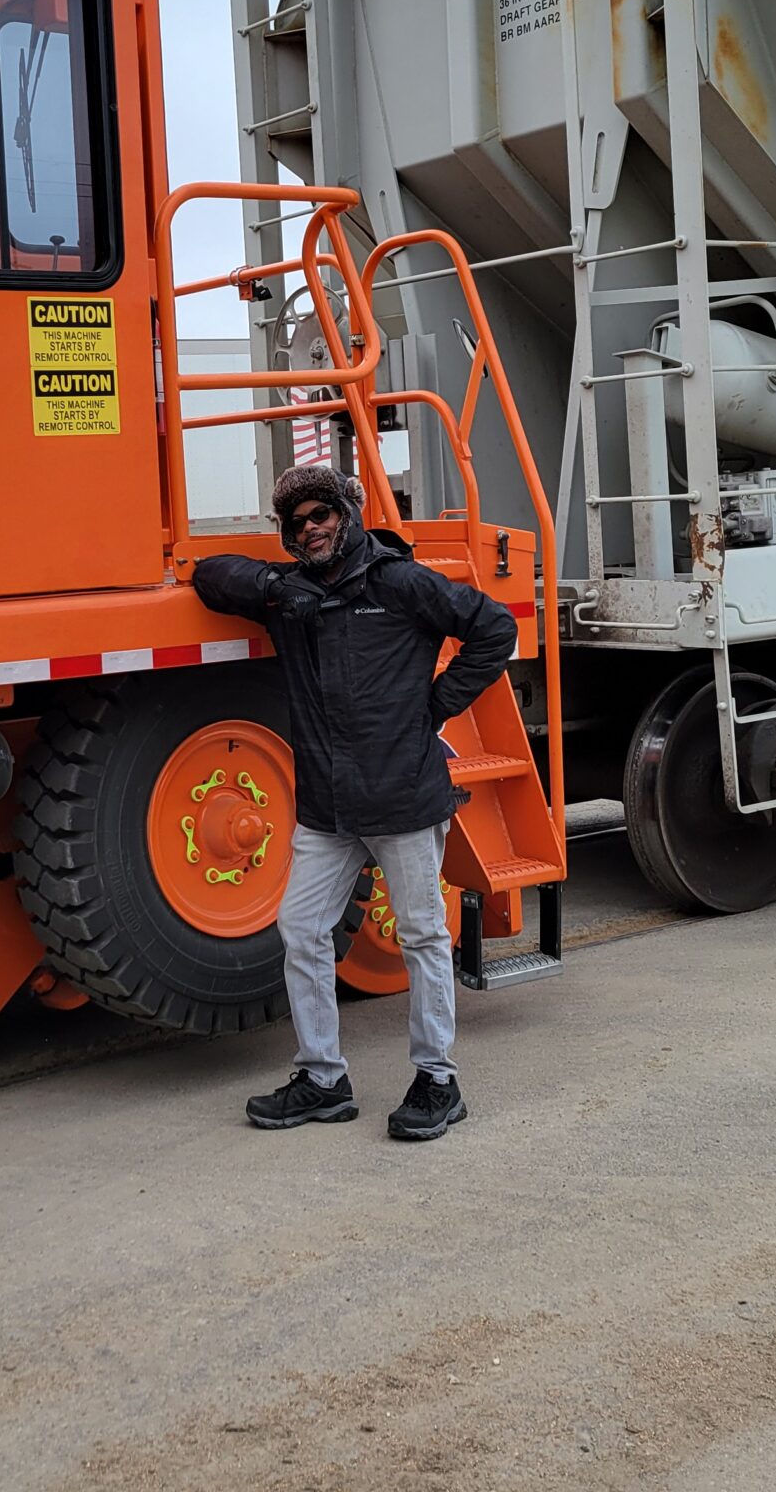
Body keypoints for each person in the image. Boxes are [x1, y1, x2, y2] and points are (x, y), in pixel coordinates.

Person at [192, 463, 519, 1142]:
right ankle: (322, 1079)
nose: (310, 529)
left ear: (348, 513)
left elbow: (492, 628)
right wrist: (274, 586)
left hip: (402, 795)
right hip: (327, 806)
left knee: (424, 936)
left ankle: (438, 1080)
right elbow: (210, 573)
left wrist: (434, 706)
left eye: (321, 515)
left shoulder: (400, 582)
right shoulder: (289, 596)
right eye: (296, 522)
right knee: (301, 929)